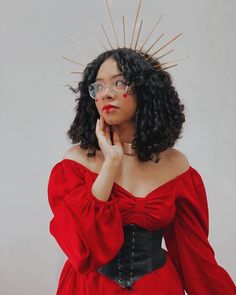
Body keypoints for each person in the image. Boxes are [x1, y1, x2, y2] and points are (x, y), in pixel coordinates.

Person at [47, 48, 236, 294]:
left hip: (158, 288)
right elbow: (82, 249)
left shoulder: (176, 168)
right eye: (99, 86)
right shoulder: (74, 165)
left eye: (119, 83)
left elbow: (195, 257)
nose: (106, 94)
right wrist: (111, 164)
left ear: (145, 89)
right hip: (89, 288)